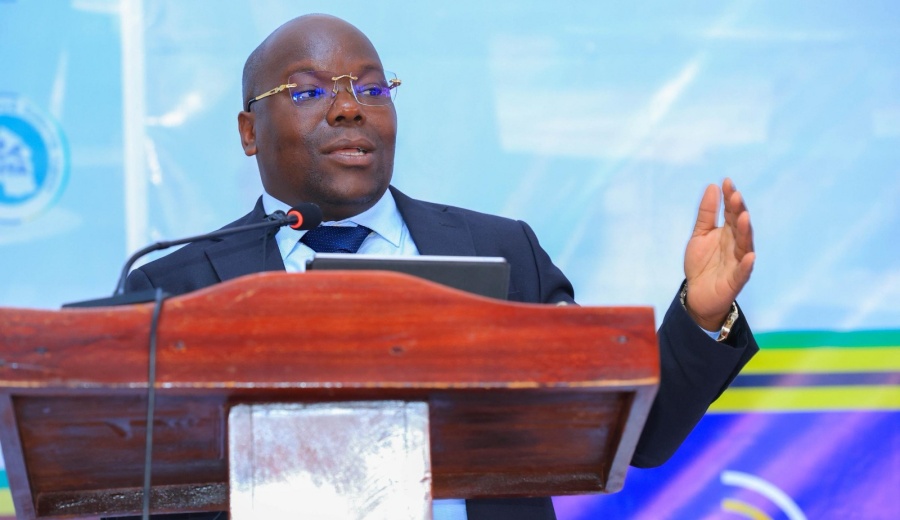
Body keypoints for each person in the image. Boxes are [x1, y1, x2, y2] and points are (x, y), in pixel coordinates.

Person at [125, 13, 758, 520]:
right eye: (309, 91)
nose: (349, 108)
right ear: (249, 130)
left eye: (372, 89)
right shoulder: (172, 286)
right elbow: (135, 485)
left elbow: (633, 432)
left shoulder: (501, 250)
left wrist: (700, 316)